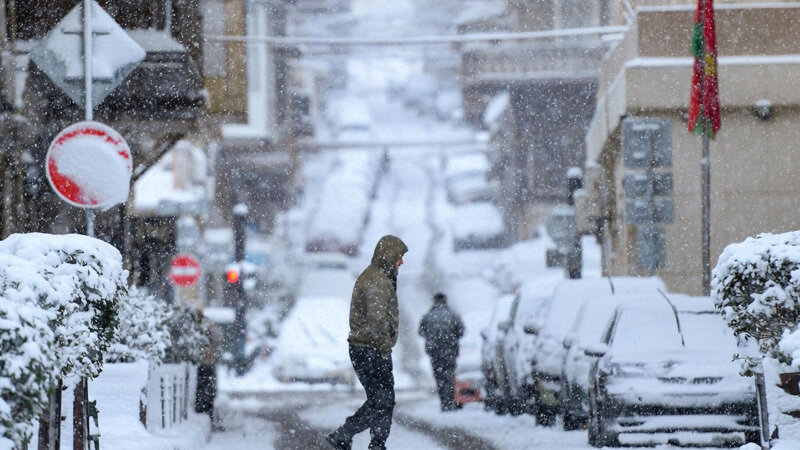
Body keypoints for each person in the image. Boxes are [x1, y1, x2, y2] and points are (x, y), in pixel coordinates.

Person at [326, 235, 408, 450]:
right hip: (370, 349)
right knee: (382, 399)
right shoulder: (376, 281)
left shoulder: (378, 277)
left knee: (380, 399)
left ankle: (364, 440)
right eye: (399, 257)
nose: (401, 262)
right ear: (389, 256)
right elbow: (376, 318)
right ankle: (357, 437)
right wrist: (383, 347)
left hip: (367, 348)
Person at [418, 292, 465, 411]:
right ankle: (450, 401)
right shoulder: (452, 314)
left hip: (435, 352)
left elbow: (421, 332)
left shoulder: (429, 315)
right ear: (445, 301)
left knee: (439, 377)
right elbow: (461, 331)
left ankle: (444, 402)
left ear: (435, 301)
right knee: (449, 376)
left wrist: (433, 337)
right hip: (450, 351)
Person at [195, 314, 225, 431]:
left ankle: (205, 412)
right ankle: (208, 414)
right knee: (208, 391)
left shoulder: (200, 324)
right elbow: (219, 338)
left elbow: (219, 337)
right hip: (207, 363)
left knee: (203, 390)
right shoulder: (207, 324)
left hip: (202, 363)